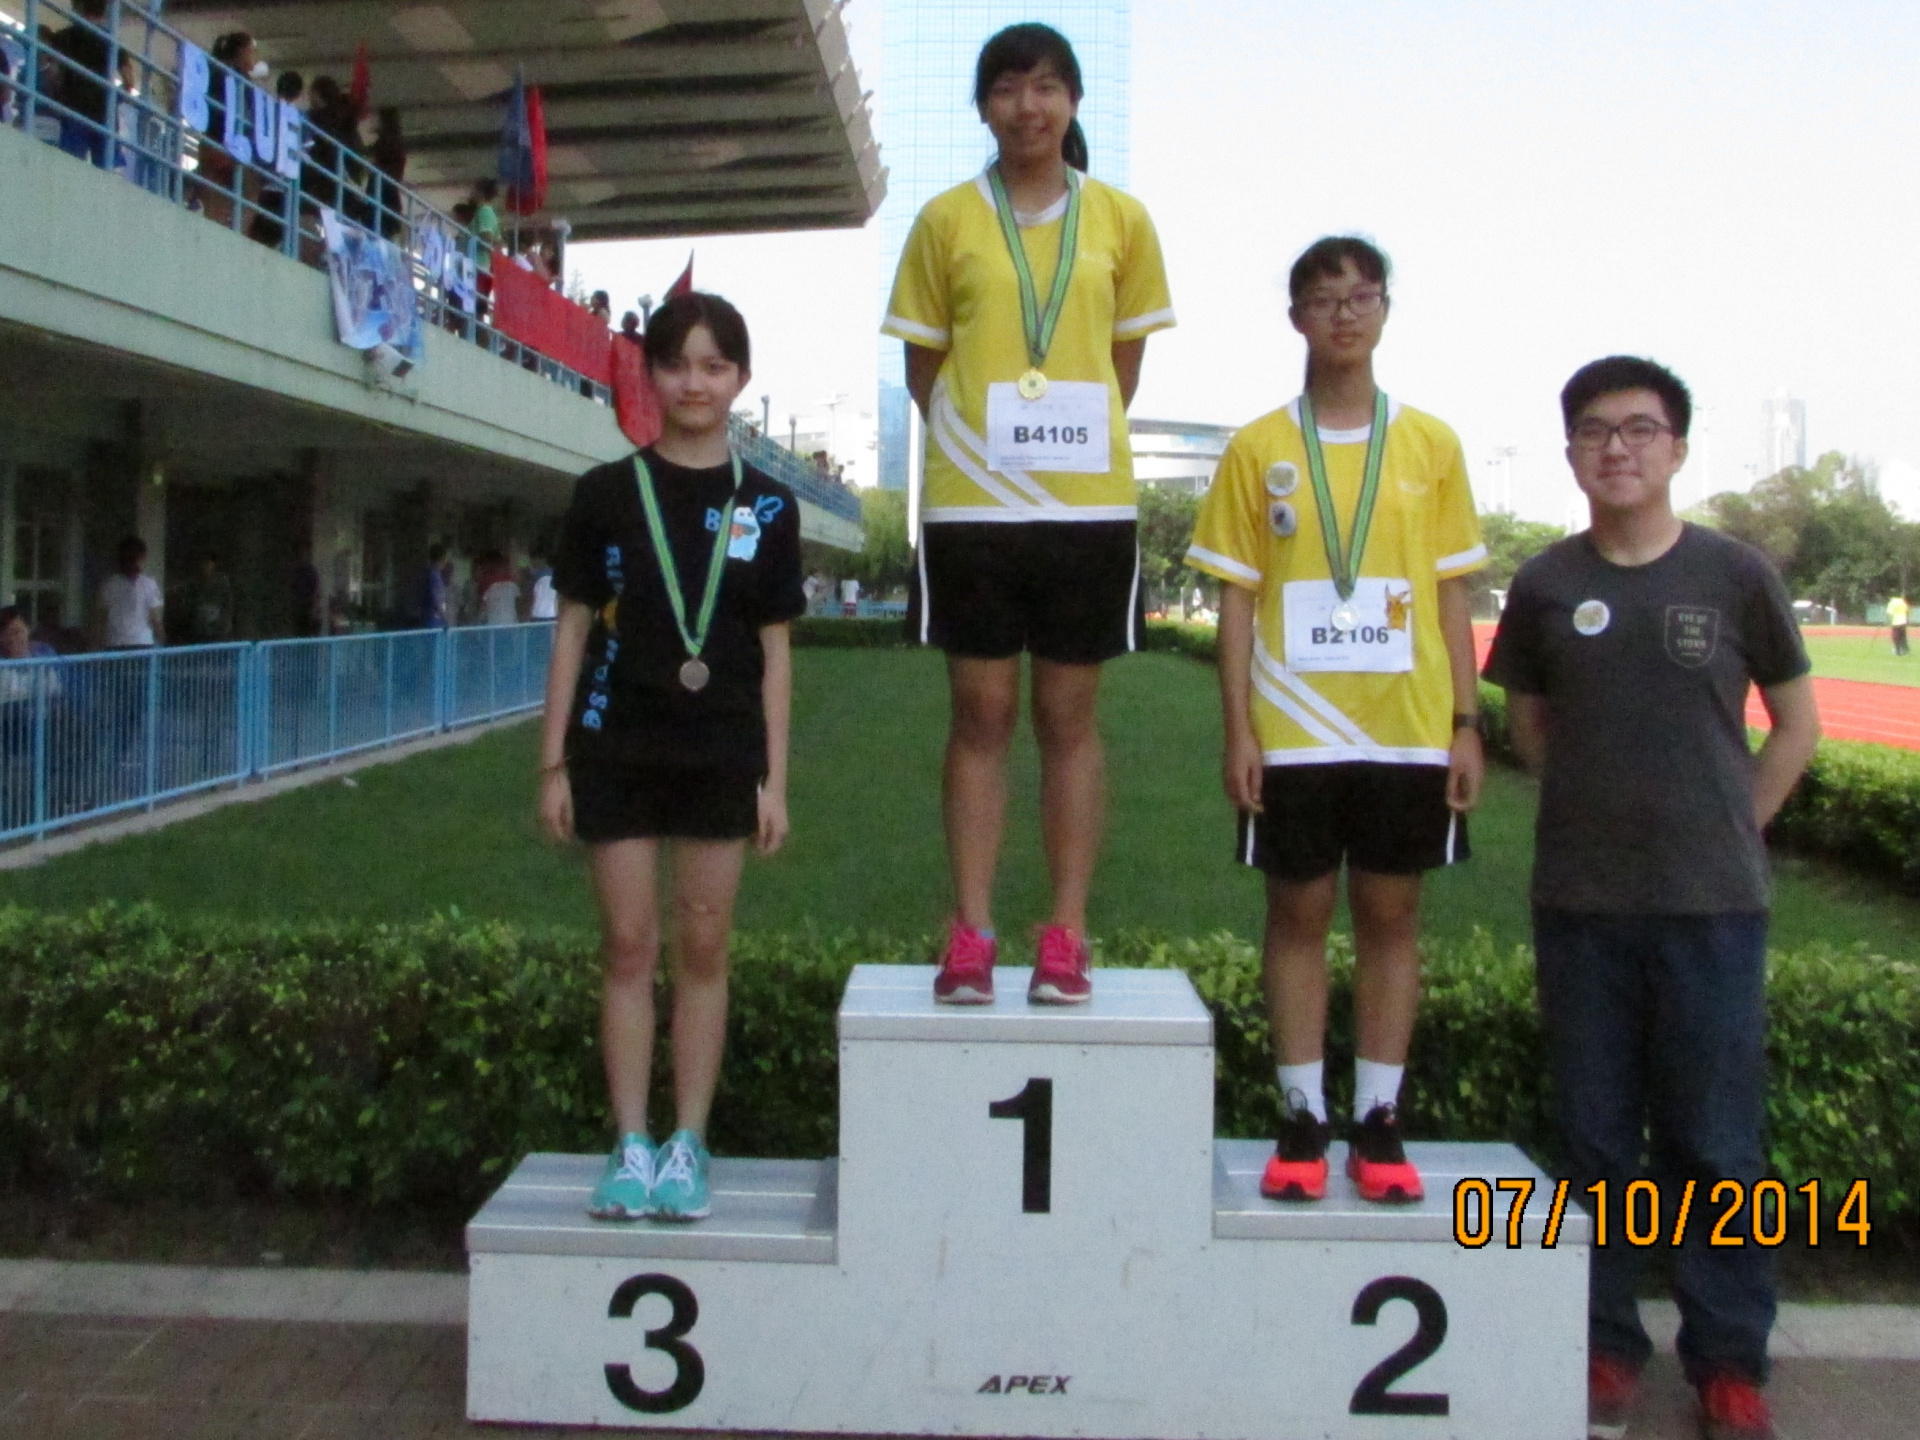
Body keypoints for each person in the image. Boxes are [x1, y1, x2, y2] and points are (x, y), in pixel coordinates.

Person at [1484, 356, 1820, 1440]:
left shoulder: (1735, 575)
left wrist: (1733, 825)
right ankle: (1600, 1345)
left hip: (1712, 908)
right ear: (1571, 452)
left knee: (1717, 1145)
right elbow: (1529, 727)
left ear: (1676, 447)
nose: (1616, 448)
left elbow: (1798, 725)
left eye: (1638, 429)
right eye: (1595, 431)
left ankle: (1728, 1362)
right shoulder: (1545, 584)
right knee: (1592, 1142)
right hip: (1582, 903)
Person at [1185, 236, 1485, 1206]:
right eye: (1324, 299)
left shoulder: (1431, 444)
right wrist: (1238, 729)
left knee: (1392, 918)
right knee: (1298, 913)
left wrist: (1466, 722)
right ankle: (1303, 1116)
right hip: (1295, 728)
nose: (1345, 314)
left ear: (1386, 310)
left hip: (1405, 727)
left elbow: (1452, 592)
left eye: (1362, 297)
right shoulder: (1258, 448)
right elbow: (1237, 600)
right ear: (1296, 318)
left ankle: (1380, 1120)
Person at [882, 23, 1174, 1005]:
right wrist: (985, 446)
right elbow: (924, 368)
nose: (1028, 107)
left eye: (1047, 86)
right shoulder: (945, 221)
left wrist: (1058, 442)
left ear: (1073, 101)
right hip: (973, 511)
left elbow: (1122, 367)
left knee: (1067, 719)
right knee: (981, 715)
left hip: (1085, 510)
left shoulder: (1122, 221)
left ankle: (1067, 935)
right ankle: (970, 932)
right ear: (984, 108)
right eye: (1008, 88)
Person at [537, 290, 803, 1222]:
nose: (696, 383)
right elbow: (572, 630)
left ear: (741, 379)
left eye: (714, 366)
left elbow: (775, 652)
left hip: (721, 751)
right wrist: (553, 763)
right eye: (678, 364)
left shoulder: (767, 504)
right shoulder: (605, 493)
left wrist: (774, 780)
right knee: (626, 945)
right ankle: (630, 1141)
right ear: (649, 374)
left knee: (702, 946)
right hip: (615, 745)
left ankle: (688, 1140)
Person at [48, 0, 111, 169]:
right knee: (106, 171)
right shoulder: (110, 41)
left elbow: (53, 74)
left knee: (70, 165)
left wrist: (58, 94)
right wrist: (115, 98)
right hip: (103, 113)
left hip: (73, 108)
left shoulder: (62, 37)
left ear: (77, 8)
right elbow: (129, 80)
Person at [96, 536, 164, 649]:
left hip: (141, 643)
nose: (132, 563)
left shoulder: (149, 584)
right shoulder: (109, 585)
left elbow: (155, 618)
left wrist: (161, 640)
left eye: (135, 558)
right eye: (129, 558)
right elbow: (101, 619)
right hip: (117, 643)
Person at [368, 105, 408, 241]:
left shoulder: (385, 141)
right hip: (390, 188)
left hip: (381, 187)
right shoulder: (398, 141)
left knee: (376, 220)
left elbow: (378, 161)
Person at [480, 552, 521, 626]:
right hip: (495, 624)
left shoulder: (512, 586)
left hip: (510, 624)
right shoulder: (490, 588)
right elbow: (483, 608)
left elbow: (519, 604)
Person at [419, 542, 451, 629]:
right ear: (442, 558)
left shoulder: (429, 573)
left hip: (428, 618)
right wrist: (446, 619)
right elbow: (437, 601)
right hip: (434, 620)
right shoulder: (434, 576)